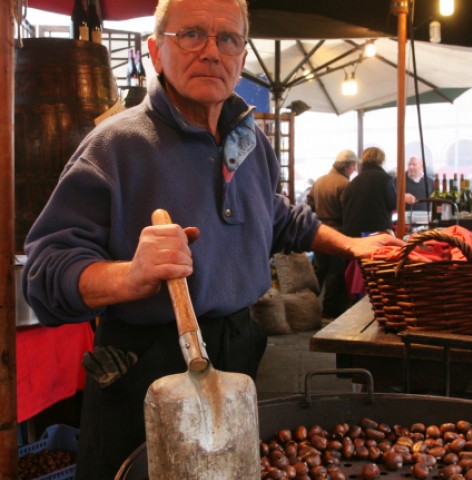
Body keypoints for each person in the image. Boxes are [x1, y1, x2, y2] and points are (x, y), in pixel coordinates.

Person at [21, 1, 402, 478]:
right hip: (145, 363)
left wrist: (351, 246)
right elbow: (43, 274)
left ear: (242, 57)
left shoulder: (251, 142)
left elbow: (278, 216)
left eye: (228, 39)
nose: (211, 51)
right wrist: (131, 276)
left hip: (240, 351)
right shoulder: (115, 146)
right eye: (191, 34)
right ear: (156, 51)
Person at [306, 149, 359, 319]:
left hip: (319, 230)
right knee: (335, 273)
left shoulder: (320, 181)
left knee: (319, 271)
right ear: (348, 165)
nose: (354, 169)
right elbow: (348, 211)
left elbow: (309, 202)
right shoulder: (344, 184)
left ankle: (309, 306)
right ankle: (330, 311)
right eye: (353, 166)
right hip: (338, 232)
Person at [342, 147, 397, 238]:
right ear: (381, 161)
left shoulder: (353, 182)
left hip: (353, 233)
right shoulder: (385, 179)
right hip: (376, 233)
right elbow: (393, 204)